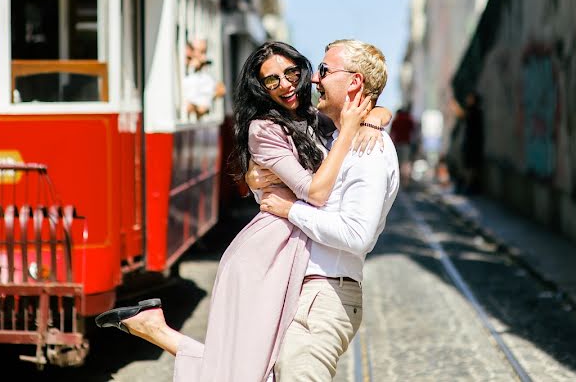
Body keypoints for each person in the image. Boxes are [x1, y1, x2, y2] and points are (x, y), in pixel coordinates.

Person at [95, 41, 390, 381]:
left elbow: (358, 117)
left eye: (291, 72)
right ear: (260, 88)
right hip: (266, 254)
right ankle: (154, 328)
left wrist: (376, 118)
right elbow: (316, 192)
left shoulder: (312, 119)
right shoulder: (263, 128)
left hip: (292, 249)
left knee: (248, 370)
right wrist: (353, 129)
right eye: (272, 80)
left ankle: (154, 328)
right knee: (246, 369)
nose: (286, 84)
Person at [254, 39, 400, 381]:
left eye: (324, 70)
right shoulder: (335, 139)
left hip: (325, 295)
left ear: (354, 82)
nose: (314, 80)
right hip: (303, 292)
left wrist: (291, 211)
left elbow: (357, 235)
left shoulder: (370, 149)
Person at [183, 39, 226, 118]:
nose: (204, 57)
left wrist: (193, 107)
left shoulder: (206, 80)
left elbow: (202, 109)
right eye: (201, 52)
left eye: (204, 52)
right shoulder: (198, 75)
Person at [389, 105, 417, 182]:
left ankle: (399, 181)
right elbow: (414, 132)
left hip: (397, 144)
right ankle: (406, 181)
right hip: (406, 144)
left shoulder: (396, 121)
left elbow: (392, 133)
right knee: (406, 163)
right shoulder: (409, 120)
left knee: (398, 163)